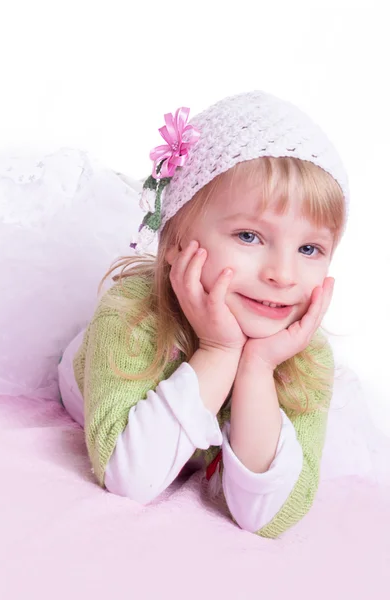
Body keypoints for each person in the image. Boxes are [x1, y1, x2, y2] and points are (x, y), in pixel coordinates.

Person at [58, 90, 349, 539]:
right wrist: (219, 349)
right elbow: (131, 479)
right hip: (105, 381)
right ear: (176, 242)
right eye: (249, 236)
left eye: (309, 249)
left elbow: (268, 517)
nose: (282, 274)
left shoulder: (306, 353)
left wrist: (257, 367)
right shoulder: (132, 314)